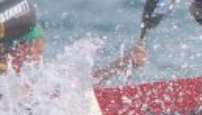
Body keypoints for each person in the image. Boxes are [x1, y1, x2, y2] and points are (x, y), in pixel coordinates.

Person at [0, 0, 148, 83]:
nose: (41, 56)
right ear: (23, 49)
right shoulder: (12, 79)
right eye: (39, 50)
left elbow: (74, 90)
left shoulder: (28, 81)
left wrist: (123, 64)